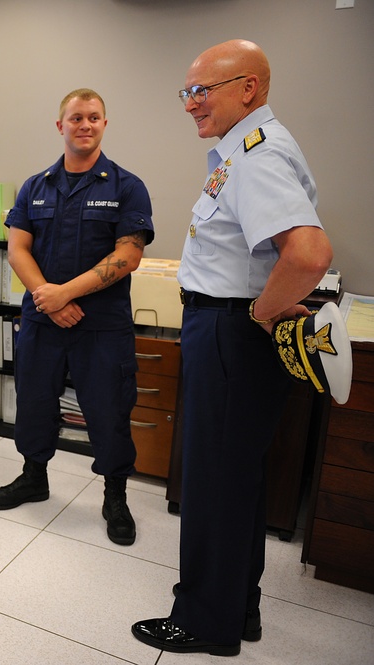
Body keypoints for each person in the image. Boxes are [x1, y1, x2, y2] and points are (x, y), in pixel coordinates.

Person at [132, 40, 333, 657]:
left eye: (203, 90)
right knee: (235, 478)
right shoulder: (247, 149)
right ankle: (237, 609)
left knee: (214, 482)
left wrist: (264, 310)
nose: (191, 104)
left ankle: (204, 623)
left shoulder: (256, 154)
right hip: (230, 332)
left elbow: (308, 254)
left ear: (248, 88)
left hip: (230, 333)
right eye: (187, 92)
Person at [0, 89, 154, 547]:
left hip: (101, 326)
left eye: (94, 117)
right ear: (59, 126)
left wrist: (64, 294)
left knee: (109, 412)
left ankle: (114, 497)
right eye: (76, 117)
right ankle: (33, 477)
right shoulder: (35, 186)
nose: (85, 124)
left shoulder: (126, 186)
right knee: (35, 402)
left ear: (104, 124)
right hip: (44, 321)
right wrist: (49, 299)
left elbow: (129, 257)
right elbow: (17, 249)